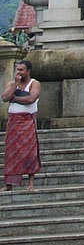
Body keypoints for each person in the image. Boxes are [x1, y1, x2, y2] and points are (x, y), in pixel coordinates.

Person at [3, 59, 42, 192]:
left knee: (30, 152)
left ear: (28, 71)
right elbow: (4, 97)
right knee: (11, 152)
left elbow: (31, 99)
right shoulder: (12, 83)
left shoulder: (34, 83)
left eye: (21, 70)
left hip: (27, 121)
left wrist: (15, 99)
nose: (18, 72)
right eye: (17, 69)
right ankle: (9, 184)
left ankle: (31, 182)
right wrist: (15, 85)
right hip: (13, 122)